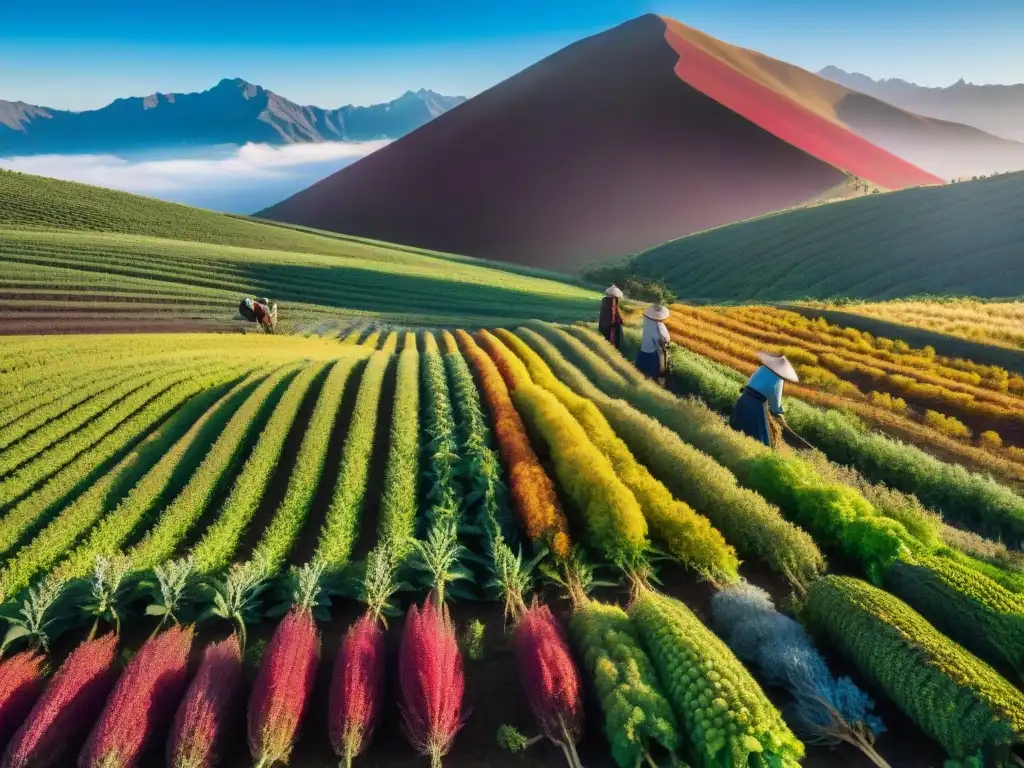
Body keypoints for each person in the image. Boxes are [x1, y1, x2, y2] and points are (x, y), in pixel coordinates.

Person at [730, 352, 799, 449]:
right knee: (757, 438)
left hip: (743, 399)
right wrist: (780, 411)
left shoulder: (762, 369)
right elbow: (775, 405)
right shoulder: (778, 380)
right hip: (755, 408)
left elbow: (751, 383)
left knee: (736, 427)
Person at [635, 304, 670, 385]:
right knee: (654, 377)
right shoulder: (660, 326)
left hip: (643, 350)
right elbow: (666, 339)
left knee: (639, 372)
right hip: (653, 354)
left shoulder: (646, 320)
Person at [598, 285, 624, 349]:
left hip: (605, 324)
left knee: (605, 340)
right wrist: (618, 322)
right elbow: (614, 314)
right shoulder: (613, 301)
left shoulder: (604, 300)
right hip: (612, 326)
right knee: (612, 341)